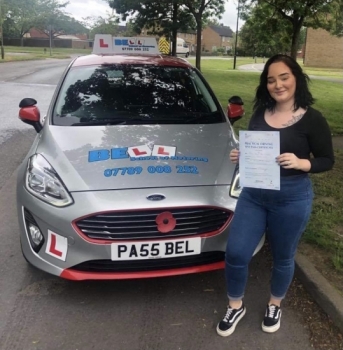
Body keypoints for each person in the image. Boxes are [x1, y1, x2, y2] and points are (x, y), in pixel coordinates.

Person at [216, 54, 334, 337]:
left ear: (296, 79)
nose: (277, 84)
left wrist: (302, 163)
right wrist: (241, 156)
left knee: (283, 256)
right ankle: (235, 305)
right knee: (236, 252)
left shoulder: (312, 119)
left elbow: (327, 160)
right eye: (271, 80)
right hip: (254, 195)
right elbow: (256, 154)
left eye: (284, 77)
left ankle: (274, 304)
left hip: (292, 198)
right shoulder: (260, 114)